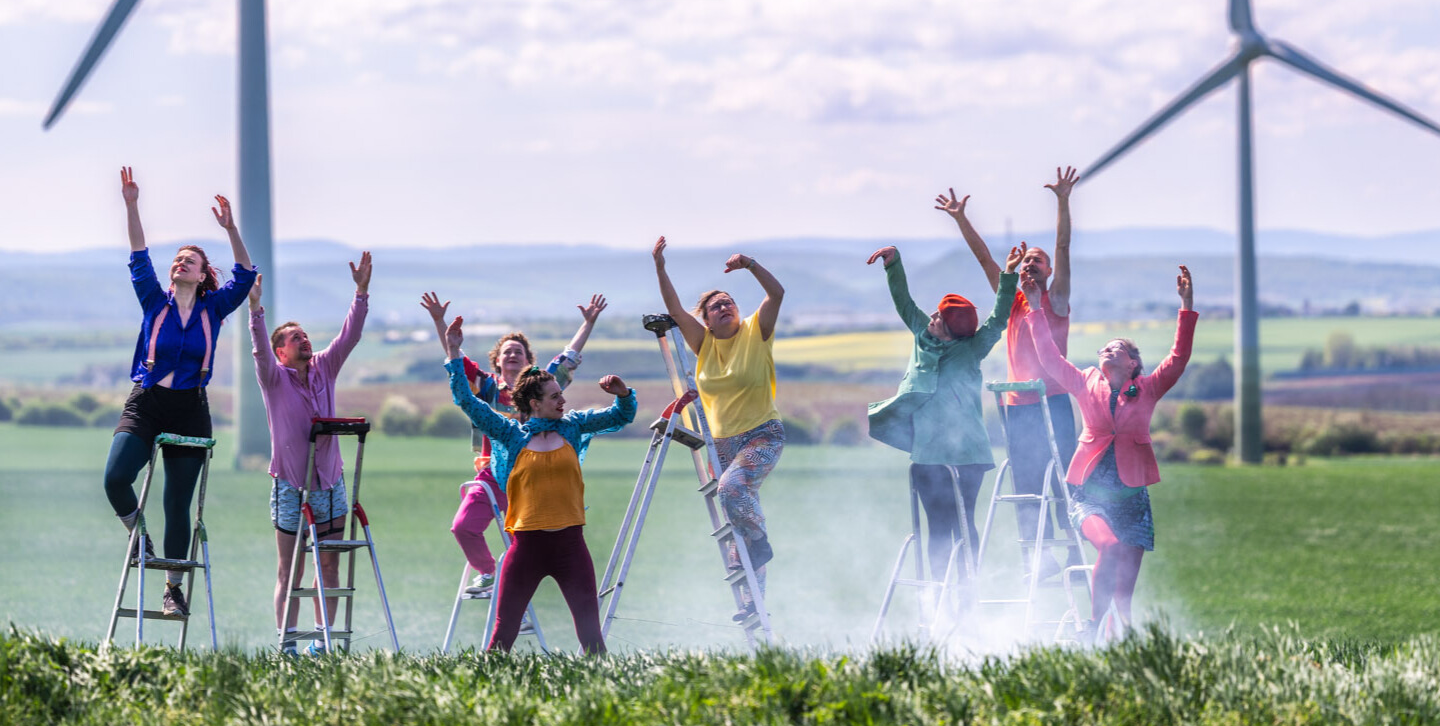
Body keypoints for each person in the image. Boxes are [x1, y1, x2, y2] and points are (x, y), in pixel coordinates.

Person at [101, 167, 255, 618]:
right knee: (114, 479)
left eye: (190, 259)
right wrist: (131, 205)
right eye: (177, 259)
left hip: (190, 410)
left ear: (204, 273)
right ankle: (137, 539)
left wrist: (230, 229)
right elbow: (138, 254)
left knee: (176, 504)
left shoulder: (215, 306)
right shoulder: (154, 300)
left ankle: (173, 589)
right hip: (146, 403)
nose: (180, 262)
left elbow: (245, 275)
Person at [439, 315, 636, 653]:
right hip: (526, 547)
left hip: (571, 546)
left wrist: (623, 395)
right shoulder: (509, 433)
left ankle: (603, 691)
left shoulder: (573, 426)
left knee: (591, 634)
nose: (563, 401)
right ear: (535, 404)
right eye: (555, 397)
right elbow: (467, 403)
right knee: (503, 635)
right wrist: (454, 354)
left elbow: (620, 417)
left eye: (562, 395)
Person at [1021, 265, 1196, 634]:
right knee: (1109, 547)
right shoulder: (1085, 381)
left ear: (1133, 363)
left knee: (1125, 598)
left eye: (1120, 348)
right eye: (1107, 347)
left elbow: (1178, 358)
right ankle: (1091, 627)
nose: (1111, 350)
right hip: (1089, 493)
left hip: (1132, 499)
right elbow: (1050, 359)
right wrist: (1035, 307)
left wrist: (1186, 304)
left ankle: (1123, 645)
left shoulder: (1148, 388)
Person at [938, 166, 1080, 577]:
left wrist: (1063, 200)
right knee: (1027, 483)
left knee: (1065, 478)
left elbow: (1064, 247)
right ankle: (1041, 557)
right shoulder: (1012, 301)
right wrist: (961, 218)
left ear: (1049, 272)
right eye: (1027, 261)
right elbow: (984, 258)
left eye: (1039, 261)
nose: (1032, 265)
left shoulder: (1056, 299)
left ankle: (1074, 549)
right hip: (1018, 406)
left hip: (1053, 401)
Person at [420, 292, 607, 598]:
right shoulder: (488, 386)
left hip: (532, 478)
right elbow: (455, 355)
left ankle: (517, 600)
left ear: (528, 361)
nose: (512, 355)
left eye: (518, 351)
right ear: (496, 360)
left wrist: (587, 323)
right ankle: (489, 573)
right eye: (506, 352)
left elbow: (568, 357)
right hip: (493, 473)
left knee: (525, 545)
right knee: (463, 526)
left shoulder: (543, 387)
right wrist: (439, 320)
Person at [865, 243, 1021, 582]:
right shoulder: (924, 336)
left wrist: (1008, 275)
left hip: (968, 455)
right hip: (928, 454)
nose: (931, 317)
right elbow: (904, 303)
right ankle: (938, 593)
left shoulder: (974, 348)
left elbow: (999, 318)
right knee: (938, 528)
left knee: (964, 522)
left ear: (950, 328)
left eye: (938, 316)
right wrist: (894, 263)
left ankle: (967, 591)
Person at [651, 235, 784, 609]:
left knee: (732, 491)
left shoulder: (756, 331)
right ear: (706, 320)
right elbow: (676, 310)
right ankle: (752, 603)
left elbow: (777, 295)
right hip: (722, 444)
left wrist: (752, 265)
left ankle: (762, 544)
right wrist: (660, 267)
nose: (723, 306)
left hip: (762, 434)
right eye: (714, 306)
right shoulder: (704, 344)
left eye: (728, 301)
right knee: (736, 533)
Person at [248, 252, 371, 656]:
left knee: (329, 565)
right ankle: (287, 645)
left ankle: (323, 642)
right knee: (291, 568)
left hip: (330, 483)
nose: (304, 340)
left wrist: (361, 292)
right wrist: (256, 309)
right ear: (281, 351)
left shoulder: (324, 368)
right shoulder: (273, 377)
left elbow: (349, 337)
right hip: (290, 485)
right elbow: (259, 351)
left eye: (305, 335)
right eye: (294, 338)